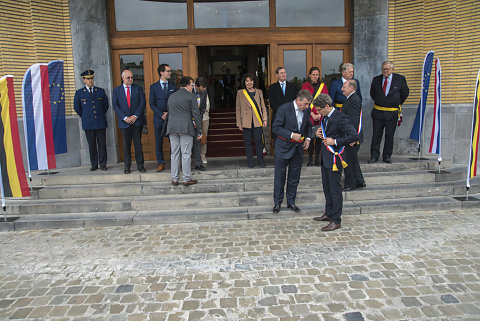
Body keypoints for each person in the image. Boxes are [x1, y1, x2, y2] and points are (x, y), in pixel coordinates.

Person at [312, 94, 359, 231]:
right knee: (327, 188)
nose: (318, 113)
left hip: (335, 158)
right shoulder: (325, 117)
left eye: (320, 110)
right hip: (325, 157)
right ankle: (329, 212)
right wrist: (317, 133)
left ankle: (336, 219)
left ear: (327, 106)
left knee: (335, 189)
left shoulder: (340, 118)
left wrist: (335, 141)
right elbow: (322, 130)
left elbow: (354, 136)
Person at [272, 89, 313, 213]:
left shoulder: (306, 110)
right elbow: (275, 127)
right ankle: (277, 203)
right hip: (283, 148)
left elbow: (308, 126)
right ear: (298, 100)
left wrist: (308, 138)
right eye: (305, 104)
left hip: (297, 149)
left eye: (308, 104)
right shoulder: (284, 109)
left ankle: (291, 202)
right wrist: (290, 135)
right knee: (280, 177)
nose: (307, 107)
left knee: (294, 177)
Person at [368, 60, 409, 164]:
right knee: (376, 135)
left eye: (387, 69)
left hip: (392, 113)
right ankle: (374, 156)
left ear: (392, 69)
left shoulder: (400, 79)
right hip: (378, 112)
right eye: (383, 69)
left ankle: (387, 156)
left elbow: (405, 93)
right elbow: (372, 93)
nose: (385, 71)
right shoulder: (376, 79)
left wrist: (396, 102)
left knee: (389, 136)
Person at [166, 76, 202, 186]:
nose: (192, 87)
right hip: (186, 128)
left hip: (172, 128)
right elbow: (196, 114)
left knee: (175, 153)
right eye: (192, 85)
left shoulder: (171, 96)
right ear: (187, 85)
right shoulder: (191, 96)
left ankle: (175, 179)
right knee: (186, 153)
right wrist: (199, 130)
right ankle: (186, 179)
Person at [73, 69, 109, 171]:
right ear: (84, 80)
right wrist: (85, 116)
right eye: (88, 79)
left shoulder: (100, 91)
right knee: (92, 145)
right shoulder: (79, 93)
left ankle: (103, 164)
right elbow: (77, 108)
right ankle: (94, 164)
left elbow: (105, 106)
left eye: (92, 78)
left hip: (100, 122)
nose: (91, 80)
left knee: (102, 144)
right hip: (88, 123)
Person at [112, 69, 146, 174]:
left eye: (131, 77)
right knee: (126, 146)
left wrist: (135, 116)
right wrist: (124, 118)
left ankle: (140, 166)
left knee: (138, 145)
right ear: (123, 78)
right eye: (128, 77)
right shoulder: (117, 90)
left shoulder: (138, 89)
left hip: (136, 122)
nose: (130, 79)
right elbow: (115, 105)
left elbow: (142, 103)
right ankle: (127, 166)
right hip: (124, 123)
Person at [236, 74, 268, 168]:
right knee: (248, 142)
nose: (249, 82)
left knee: (259, 141)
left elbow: (263, 106)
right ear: (244, 83)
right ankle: (250, 162)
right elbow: (238, 109)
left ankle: (261, 161)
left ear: (253, 82)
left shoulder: (259, 92)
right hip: (246, 121)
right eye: (247, 81)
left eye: (251, 80)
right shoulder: (240, 93)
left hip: (258, 120)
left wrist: (265, 119)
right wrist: (239, 123)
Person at [149, 64, 177, 172]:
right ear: (161, 72)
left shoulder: (173, 86)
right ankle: (160, 163)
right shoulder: (153, 87)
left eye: (170, 71)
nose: (170, 73)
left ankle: (174, 162)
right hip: (159, 118)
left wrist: (169, 113)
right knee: (158, 141)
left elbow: (175, 101)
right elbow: (152, 104)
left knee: (173, 141)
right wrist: (161, 114)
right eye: (168, 71)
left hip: (171, 118)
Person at [341, 80, 366, 191]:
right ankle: (359, 181)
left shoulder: (353, 100)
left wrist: (352, 137)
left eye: (344, 86)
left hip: (352, 137)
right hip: (352, 135)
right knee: (353, 159)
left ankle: (350, 184)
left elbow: (354, 120)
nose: (342, 89)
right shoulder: (351, 99)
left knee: (349, 160)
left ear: (351, 88)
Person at [301, 67, 328, 166]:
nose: (315, 77)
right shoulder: (305, 86)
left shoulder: (323, 86)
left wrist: (320, 113)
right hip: (309, 115)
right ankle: (310, 159)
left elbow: (326, 100)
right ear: (309, 75)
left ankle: (317, 159)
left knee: (319, 137)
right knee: (310, 137)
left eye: (317, 75)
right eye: (313, 75)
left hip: (320, 115)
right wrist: (311, 113)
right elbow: (303, 101)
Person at [268, 67, 298, 144]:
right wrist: (282, 112)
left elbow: (296, 101)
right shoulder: (272, 87)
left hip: (291, 116)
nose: (283, 74)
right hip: (278, 116)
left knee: (290, 139)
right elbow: (272, 103)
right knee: (278, 139)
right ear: (277, 75)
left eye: (284, 72)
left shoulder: (293, 86)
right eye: (281, 73)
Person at [192, 77, 209, 170]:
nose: (202, 92)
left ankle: (198, 164)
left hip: (198, 120)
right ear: (196, 86)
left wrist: (198, 119)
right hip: (188, 121)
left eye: (204, 90)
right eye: (201, 90)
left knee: (198, 141)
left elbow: (203, 107)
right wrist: (192, 120)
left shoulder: (204, 92)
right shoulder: (189, 91)